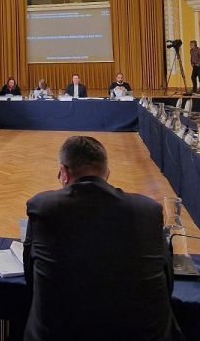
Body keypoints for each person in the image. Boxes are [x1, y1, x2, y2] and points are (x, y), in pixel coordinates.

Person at [24, 136, 172, 340]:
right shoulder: (148, 211)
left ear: (64, 173)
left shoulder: (43, 206)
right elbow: (167, 281)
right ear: (107, 173)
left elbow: (30, 278)